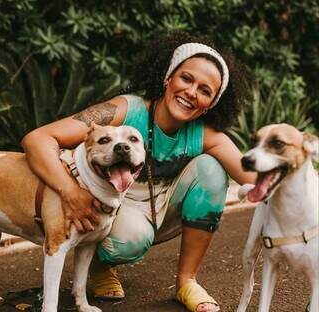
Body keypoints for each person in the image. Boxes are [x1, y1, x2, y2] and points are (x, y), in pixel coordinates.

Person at [22, 31, 256, 312]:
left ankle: (186, 282)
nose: (192, 92)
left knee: (213, 171)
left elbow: (254, 179)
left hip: (160, 212)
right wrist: (70, 191)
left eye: (205, 90)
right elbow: (38, 139)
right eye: (186, 78)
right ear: (168, 78)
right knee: (131, 240)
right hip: (114, 212)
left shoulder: (206, 136)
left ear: (210, 105)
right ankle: (99, 266)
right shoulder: (123, 110)